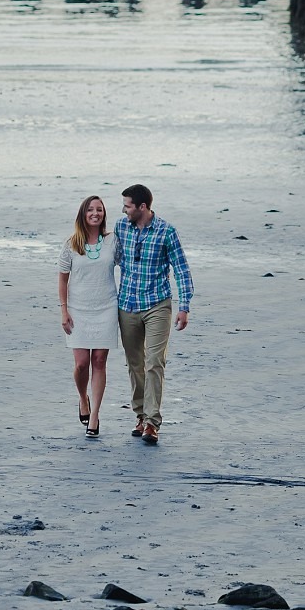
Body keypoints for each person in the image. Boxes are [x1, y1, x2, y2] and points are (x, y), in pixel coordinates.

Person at [115, 184, 193, 445]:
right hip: (127, 305)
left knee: (154, 362)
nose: (124, 210)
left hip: (158, 304)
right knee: (135, 364)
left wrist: (184, 306)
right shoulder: (120, 228)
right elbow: (107, 259)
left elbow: (181, 269)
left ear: (142, 207)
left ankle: (152, 422)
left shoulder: (166, 231)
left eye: (127, 206)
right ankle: (140, 415)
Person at [58, 195, 119, 438]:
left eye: (100, 210)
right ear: (83, 214)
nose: (95, 213)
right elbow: (63, 279)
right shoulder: (71, 244)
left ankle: (94, 416)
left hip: (107, 308)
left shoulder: (113, 241)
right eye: (91, 210)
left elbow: (130, 266)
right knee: (82, 364)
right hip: (79, 310)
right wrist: (63, 309)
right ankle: (83, 398)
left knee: (100, 362)